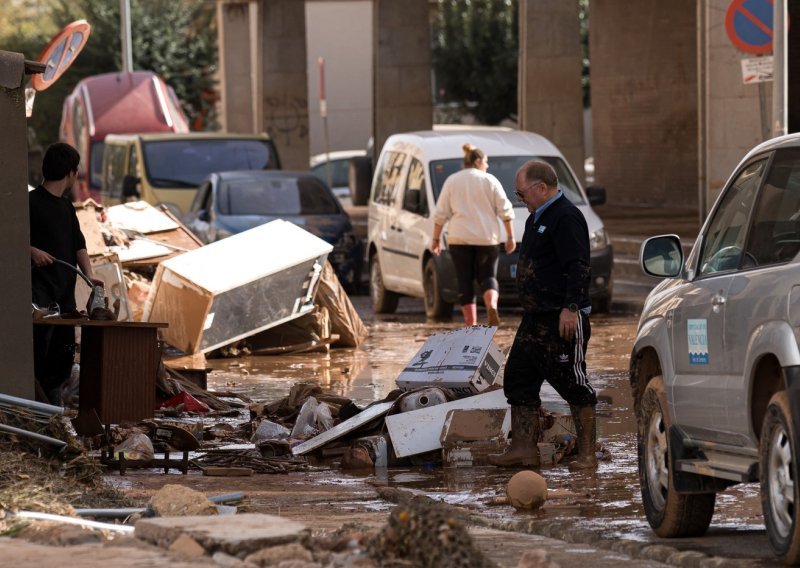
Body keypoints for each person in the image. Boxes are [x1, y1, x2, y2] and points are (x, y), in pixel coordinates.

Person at [488, 160, 597, 471]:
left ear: (542, 188)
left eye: (522, 194)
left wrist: (571, 307)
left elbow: (579, 266)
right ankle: (523, 448)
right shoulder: (537, 217)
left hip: (560, 317)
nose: (520, 199)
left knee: (573, 383)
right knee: (518, 378)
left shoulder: (566, 217)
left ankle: (588, 454)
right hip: (534, 317)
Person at [29, 142, 102, 406]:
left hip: (65, 298)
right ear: (70, 173)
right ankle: (43, 412)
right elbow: (12, 239)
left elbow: (78, 244)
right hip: (40, 299)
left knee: (63, 358)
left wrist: (90, 276)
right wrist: (32, 251)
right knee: (40, 359)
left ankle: (55, 411)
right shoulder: (31, 202)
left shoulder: (67, 207)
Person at [431, 143, 515, 326]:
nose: (487, 165)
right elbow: (505, 210)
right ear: (478, 161)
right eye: (486, 162)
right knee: (488, 277)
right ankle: (491, 305)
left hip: (459, 239)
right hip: (486, 238)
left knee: (464, 280)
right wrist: (510, 237)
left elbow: (440, 214)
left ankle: (471, 324)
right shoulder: (490, 180)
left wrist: (436, 239)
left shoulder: (452, 180)